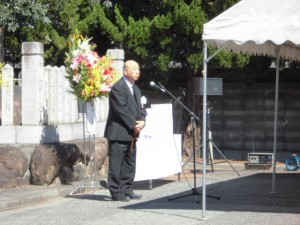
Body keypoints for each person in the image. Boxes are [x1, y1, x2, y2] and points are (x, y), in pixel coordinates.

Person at [104, 60, 146, 202]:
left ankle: (127, 188)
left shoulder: (136, 89)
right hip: (119, 132)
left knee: (130, 162)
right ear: (125, 71)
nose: (137, 71)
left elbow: (141, 108)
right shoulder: (117, 87)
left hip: (132, 133)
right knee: (116, 163)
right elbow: (121, 109)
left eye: (138, 69)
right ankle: (116, 192)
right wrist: (134, 124)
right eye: (134, 69)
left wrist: (142, 121)